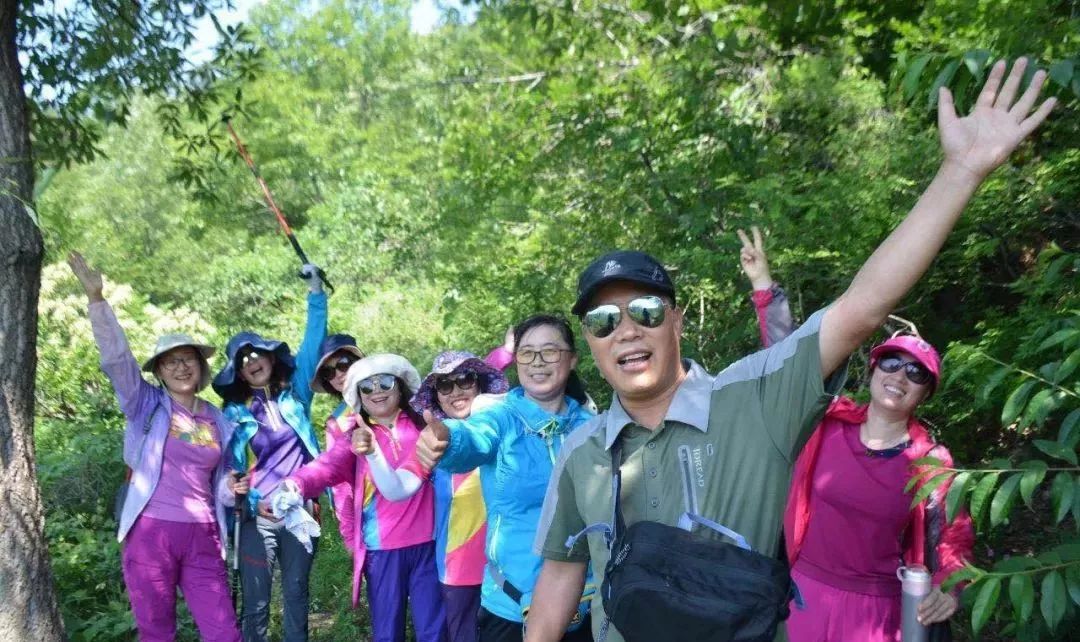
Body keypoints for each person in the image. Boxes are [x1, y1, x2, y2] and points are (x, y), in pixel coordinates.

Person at [524, 58, 1054, 642]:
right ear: (590, 343)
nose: (625, 330)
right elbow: (561, 573)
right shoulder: (581, 453)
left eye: (645, 311)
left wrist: (960, 172)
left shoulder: (755, 401)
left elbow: (861, 309)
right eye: (602, 321)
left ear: (676, 321)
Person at [738, 229, 975, 640]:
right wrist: (764, 285)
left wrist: (951, 586)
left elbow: (953, 535)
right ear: (873, 370)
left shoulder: (930, 460)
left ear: (925, 393)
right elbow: (792, 364)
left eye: (916, 372)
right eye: (891, 363)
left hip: (878, 614)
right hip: (801, 598)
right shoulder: (826, 421)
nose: (900, 375)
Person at [67, 252, 242, 642]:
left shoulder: (219, 420)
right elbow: (117, 360)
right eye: (170, 362)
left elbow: (222, 485)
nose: (181, 367)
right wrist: (97, 300)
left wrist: (233, 487)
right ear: (159, 371)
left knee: (225, 633)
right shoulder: (144, 404)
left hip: (204, 534)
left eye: (188, 359)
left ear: (201, 367)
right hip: (151, 534)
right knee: (157, 633)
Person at [414, 315, 596, 642]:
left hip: (588, 601)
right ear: (517, 361)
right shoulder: (500, 418)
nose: (537, 361)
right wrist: (446, 440)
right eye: (527, 352)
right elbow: (472, 438)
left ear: (572, 359)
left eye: (550, 351)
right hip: (512, 605)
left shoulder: (591, 427)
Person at [274, 354, 447, 642]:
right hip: (383, 549)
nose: (377, 391)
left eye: (385, 382)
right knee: (387, 631)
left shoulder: (423, 425)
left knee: (434, 630)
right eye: (367, 386)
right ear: (359, 396)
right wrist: (295, 484)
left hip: (429, 544)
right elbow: (326, 467)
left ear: (400, 386)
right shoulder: (354, 438)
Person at [355, 341, 515, 642]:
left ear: (479, 385)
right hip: (460, 571)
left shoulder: (510, 430)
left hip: (511, 565)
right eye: (444, 385)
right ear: (437, 397)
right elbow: (397, 488)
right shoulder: (432, 443)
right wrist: (374, 453)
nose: (455, 391)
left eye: (465, 380)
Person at [212, 264, 327, 642]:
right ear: (238, 373)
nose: (251, 362)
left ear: (271, 358)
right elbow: (231, 471)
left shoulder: (296, 396)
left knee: (296, 594)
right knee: (256, 602)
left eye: (256, 354)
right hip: (256, 516)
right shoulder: (235, 414)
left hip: (299, 510)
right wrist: (254, 501)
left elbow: (313, 344)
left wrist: (316, 294)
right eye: (242, 361)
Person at [310, 334, 365, 549]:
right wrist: (350, 536)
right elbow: (340, 488)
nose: (339, 374)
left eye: (343, 364)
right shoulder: (336, 423)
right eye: (329, 372)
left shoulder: (391, 397)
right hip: (371, 521)